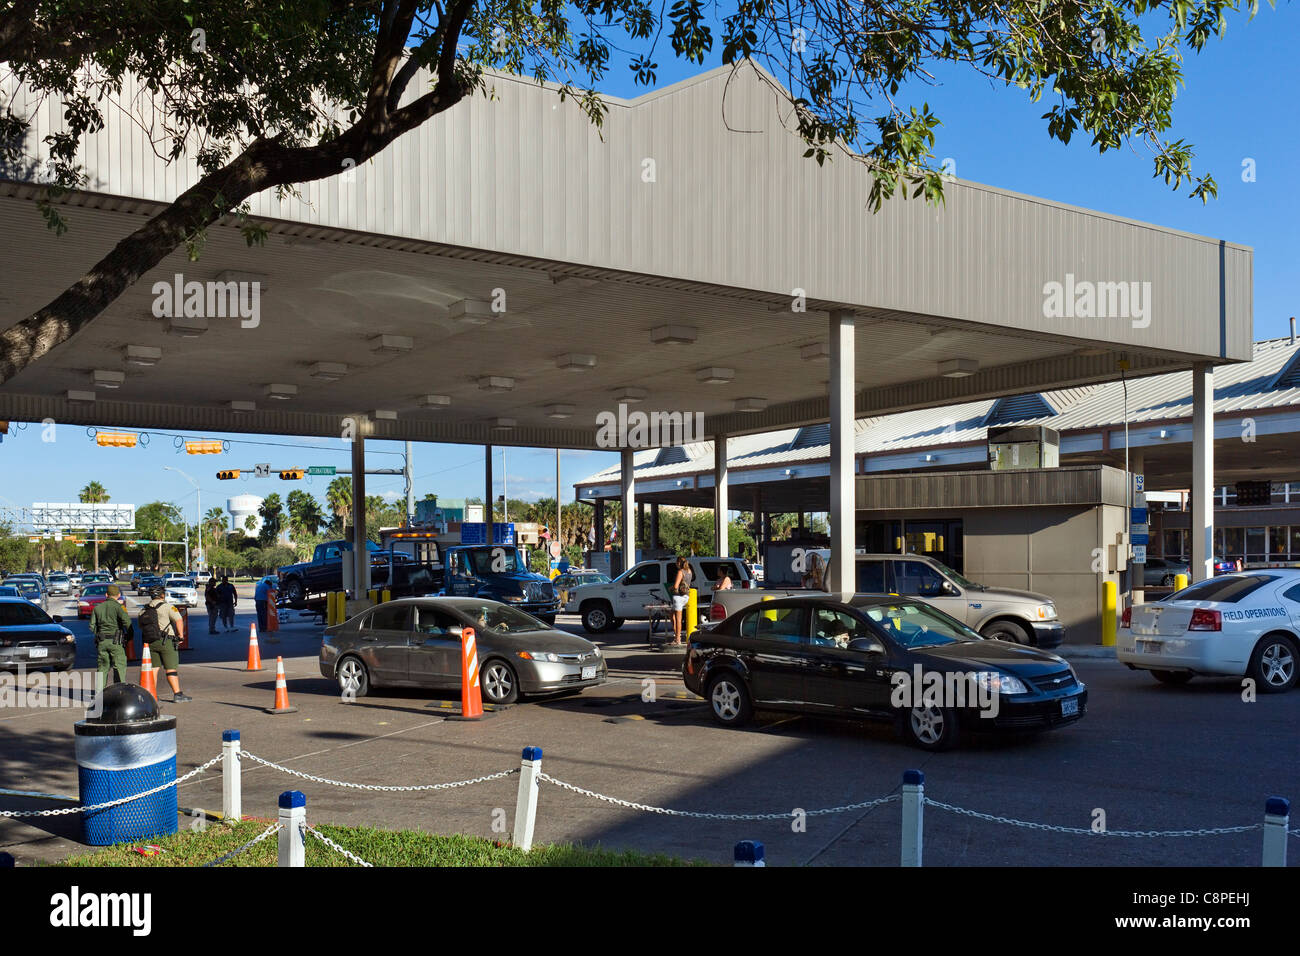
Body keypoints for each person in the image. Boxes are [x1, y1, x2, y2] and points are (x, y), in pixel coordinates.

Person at [139, 585, 191, 702]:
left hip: (150, 642)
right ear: (162, 595)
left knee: (153, 668)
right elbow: (178, 620)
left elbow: (140, 625)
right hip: (166, 641)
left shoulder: (144, 609)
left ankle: (151, 695)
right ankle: (177, 694)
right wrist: (181, 636)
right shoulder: (167, 607)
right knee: (171, 668)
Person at [90, 584, 132, 689]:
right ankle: (119, 691)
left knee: (102, 668)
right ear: (118, 595)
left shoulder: (97, 608)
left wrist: (98, 635)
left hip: (102, 641)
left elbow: (92, 626)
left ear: (106, 595)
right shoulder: (119, 608)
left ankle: (99, 694)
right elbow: (127, 623)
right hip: (116, 642)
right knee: (119, 667)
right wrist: (129, 637)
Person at [668, 556, 693, 647]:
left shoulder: (680, 572)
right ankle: (676, 635)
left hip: (678, 597)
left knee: (678, 619)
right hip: (686, 596)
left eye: (676, 562)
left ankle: (677, 639)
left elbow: (675, 586)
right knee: (671, 614)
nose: (676, 564)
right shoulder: (689, 571)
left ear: (679, 563)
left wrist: (670, 588)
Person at [264, 578, 281, 644]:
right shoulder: (268, 587)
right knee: (265, 614)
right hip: (264, 600)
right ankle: (270, 628)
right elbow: (272, 593)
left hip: (259, 599)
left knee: (262, 614)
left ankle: (263, 627)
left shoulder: (262, 585)